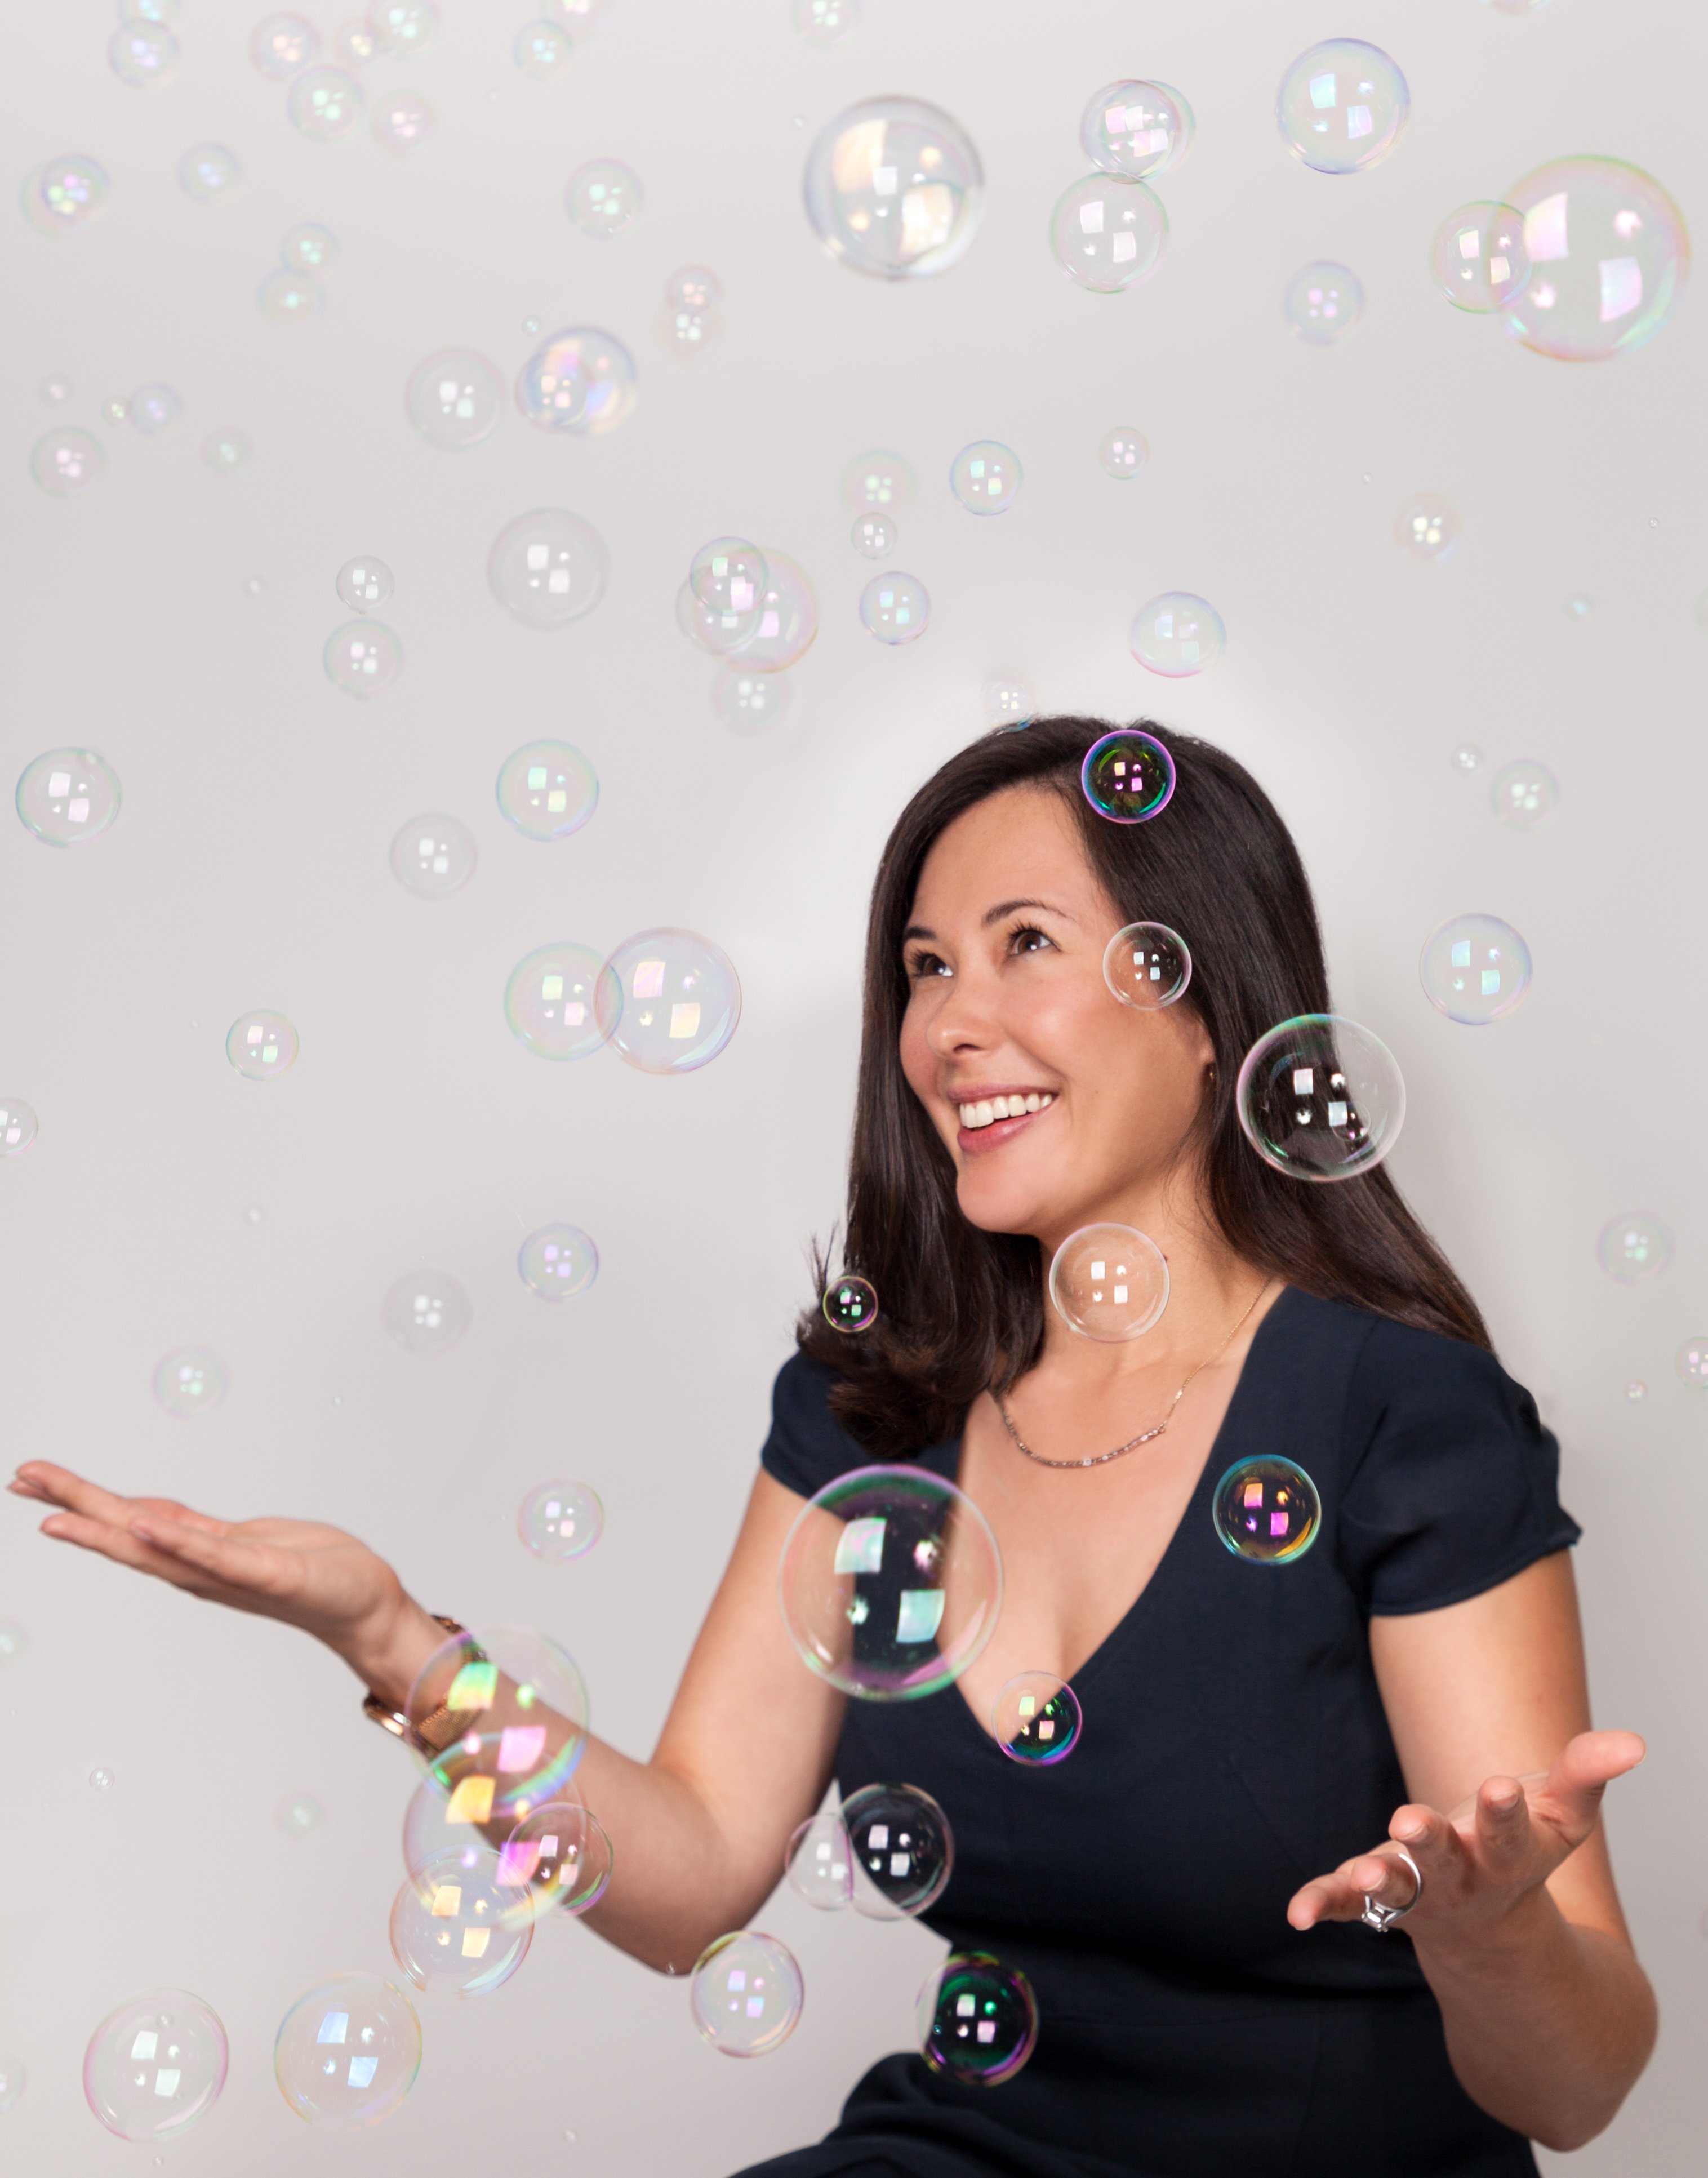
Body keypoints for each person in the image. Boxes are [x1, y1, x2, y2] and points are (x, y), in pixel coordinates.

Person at [11, 718, 1654, 2177]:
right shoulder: (877, 1408)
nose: (949, 1028)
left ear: (1212, 998)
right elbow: (688, 1879)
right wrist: (389, 1639)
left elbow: (1577, 2090)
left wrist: (1490, 1934)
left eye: (1025, 944)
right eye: (926, 968)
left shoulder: (1401, 1421)